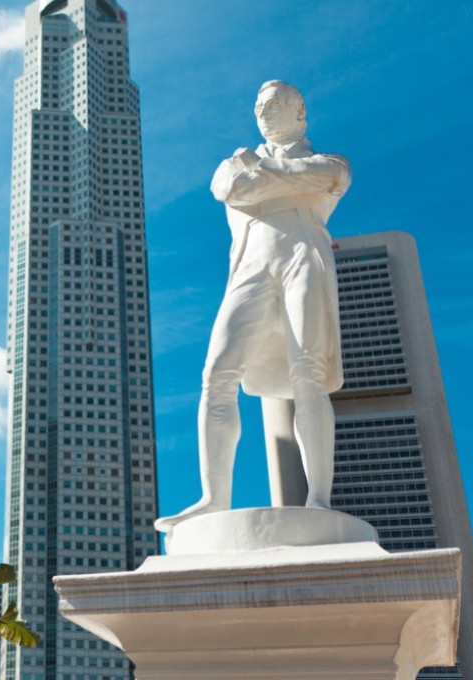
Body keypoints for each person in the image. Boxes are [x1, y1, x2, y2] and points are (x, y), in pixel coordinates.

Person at [159, 81, 351, 528]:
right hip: (250, 264)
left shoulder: (330, 161)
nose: (265, 111)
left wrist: (262, 172)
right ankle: (213, 498)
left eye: (277, 104)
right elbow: (232, 189)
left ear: (300, 112)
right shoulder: (232, 163)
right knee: (217, 374)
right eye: (260, 105)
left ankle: (319, 498)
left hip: (303, 252)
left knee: (309, 371)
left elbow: (327, 178)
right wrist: (273, 178)